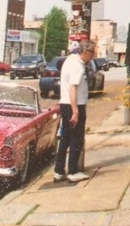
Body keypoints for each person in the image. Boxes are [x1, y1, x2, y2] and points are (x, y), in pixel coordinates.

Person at [54, 40, 96, 183]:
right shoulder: (77, 66)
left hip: (66, 104)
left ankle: (59, 171)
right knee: (76, 138)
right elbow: (73, 88)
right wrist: (76, 111)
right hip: (75, 105)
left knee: (65, 138)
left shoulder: (70, 60)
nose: (93, 56)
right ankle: (73, 171)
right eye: (92, 52)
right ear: (85, 52)